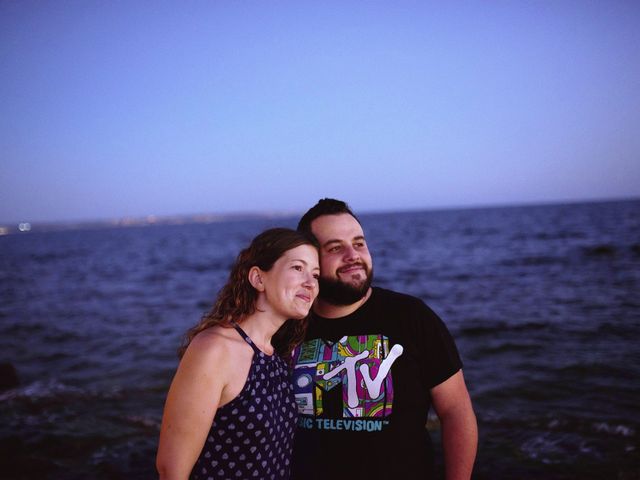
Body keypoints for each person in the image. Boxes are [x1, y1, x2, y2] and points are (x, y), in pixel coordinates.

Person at [290, 199, 477, 480]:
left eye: (359, 243)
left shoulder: (412, 316)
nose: (353, 255)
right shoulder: (289, 326)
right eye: (335, 247)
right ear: (309, 261)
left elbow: (456, 412)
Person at [156, 228, 320, 480]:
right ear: (258, 278)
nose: (310, 283)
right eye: (298, 268)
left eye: (316, 274)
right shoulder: (215, 349)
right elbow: (171, 470)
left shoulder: (276, 357)